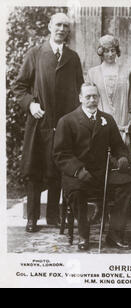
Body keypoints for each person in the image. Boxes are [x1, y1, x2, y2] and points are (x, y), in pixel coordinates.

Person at [13, 13, 84, 232]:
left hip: (63, 124)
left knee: (58, 168)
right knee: (34, 171)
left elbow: (80, 89)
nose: (62, 29)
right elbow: (19, 87)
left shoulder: (72, 57)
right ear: (49, 27)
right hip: (40, 122)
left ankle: (53, 217)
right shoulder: (35, 54)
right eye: (58, 25)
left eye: (65, 26)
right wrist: (30, 105)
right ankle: (32, 219)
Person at [53, 83, 131, 251]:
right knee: (77, 191)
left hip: (102, 172)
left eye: (95, 96)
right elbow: (60, 154)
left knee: (128, 183)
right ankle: (84, 234)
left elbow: (118, 146)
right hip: (77, 174)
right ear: (80, 98)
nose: (92, 100)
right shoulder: (67, 121)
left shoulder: (107, 119)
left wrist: (122, 158)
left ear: (99, 98)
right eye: (88, 96)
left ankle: (114, 234)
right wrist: (78, 170)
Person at [86, 35, 131, 144]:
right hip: (100, 129)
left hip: (122, 129)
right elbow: (89, 102)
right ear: (101, 53)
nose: (110, 54)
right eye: (106, 51)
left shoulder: (127, 72)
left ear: (117, 51)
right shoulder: (93, 73)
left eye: (113, 50)